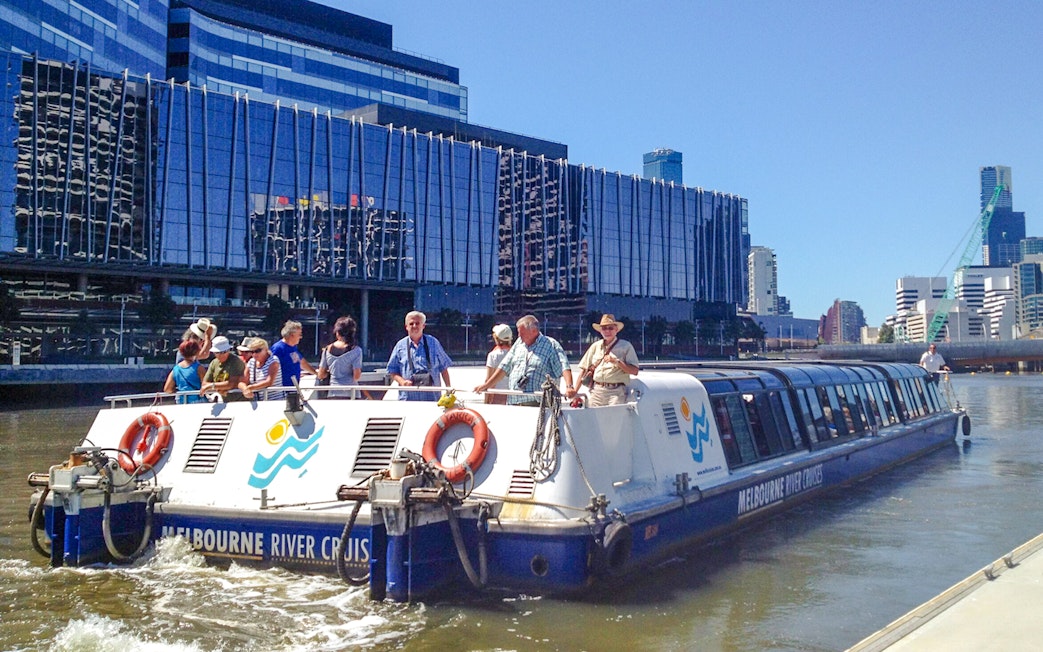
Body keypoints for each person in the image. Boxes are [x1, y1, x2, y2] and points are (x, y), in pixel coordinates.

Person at [475, 314, 575, 406]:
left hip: (538, 402)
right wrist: (486, 385)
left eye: (521, 333)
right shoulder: (518, 344)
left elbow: (564, 366)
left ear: (534, 331)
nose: (519, 337)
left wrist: (569, 386)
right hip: (514, 400)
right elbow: (504, 367)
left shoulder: (551, 345)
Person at [571, 314, 640, 407]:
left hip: (616, 392)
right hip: (597, 391)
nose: (607, 331)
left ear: (616, 330)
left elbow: (634, 371)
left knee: (613, 419)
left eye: (610, 328)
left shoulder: (626, 346)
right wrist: (575, 392)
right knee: (593, 418)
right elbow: (583, 370)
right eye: (604, 328)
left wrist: (617, 362)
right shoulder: (595, 346)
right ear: (600, 331)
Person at [386, 311, 453, 401]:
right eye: (411, 323)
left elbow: (444, 368)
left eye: (417, 323)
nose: (414, 326)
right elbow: (392, 370)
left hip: (432, 398)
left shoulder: (433, 342)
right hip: (408, 398)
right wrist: (402, 382)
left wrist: (448, 389)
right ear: (406, 327)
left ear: (423, 326)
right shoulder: (400, 345)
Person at [317, 316, 368, 399]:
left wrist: (330, 372)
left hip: (333, 392)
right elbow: (356, 376)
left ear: (337, 332)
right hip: (351, 393)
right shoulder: (356, 350)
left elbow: (321, 375)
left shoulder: (327, 349)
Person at [270, 320, 316, 391]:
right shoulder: (278, 348)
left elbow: (301, 362)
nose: (301, 337)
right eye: (299, 334)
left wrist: (315, 373)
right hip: (282, 390)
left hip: (294, 388)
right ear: (292, 335)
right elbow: (270, 367)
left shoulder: (293, 347)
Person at [201, 335, 246, 401]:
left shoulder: (236, 361)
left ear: (228, 350)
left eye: (224, 352)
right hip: (223, 401)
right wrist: (219, 388)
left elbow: (232, 383)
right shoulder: (214, 363)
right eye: (217, 353)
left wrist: (211, 386)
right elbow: (204, 384)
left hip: (240, 402)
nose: (221, 355)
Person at [164, 339, 206, 403]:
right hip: (197, 402)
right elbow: (206, 385)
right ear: (196, 352)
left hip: (181, 402)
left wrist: (179, 391)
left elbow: (167, 389)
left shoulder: (176, 369)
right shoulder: (199, 368)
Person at [484, 323, 513, 404]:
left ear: (496, 338)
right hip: (514, 394)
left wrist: (486, 401)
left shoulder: (493, 355)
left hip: (497, 394)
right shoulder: (517, 353)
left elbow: (488, 379)